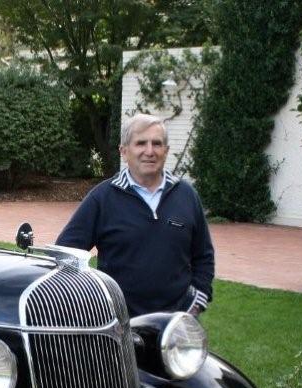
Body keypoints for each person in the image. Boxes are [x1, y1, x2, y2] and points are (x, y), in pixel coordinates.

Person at [56, 114, 215, 317]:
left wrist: (195, 305)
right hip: (119, 324)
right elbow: (66, 255)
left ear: (166, 152)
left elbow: (204, 257)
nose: (149, 151)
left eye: (157, 144)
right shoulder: (102, 198)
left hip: (177, 325)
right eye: (141, 143)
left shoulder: (186, 195)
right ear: (124, 151)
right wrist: (93, 301)